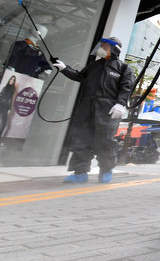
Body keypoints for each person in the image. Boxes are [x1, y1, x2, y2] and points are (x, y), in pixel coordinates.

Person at [52, 37, 134, 184]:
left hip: (108, 111)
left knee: (105, 142)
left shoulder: (123, 68)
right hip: (87, 108)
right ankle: (80, 173)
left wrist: (121, 104)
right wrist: (65, 68)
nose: (101, 48)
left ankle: (106, 171)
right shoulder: (94, 65)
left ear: (114, 49)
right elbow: (80, 76)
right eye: (101, 45)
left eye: (105, 46)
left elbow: (126, 87)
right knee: (81, 139)